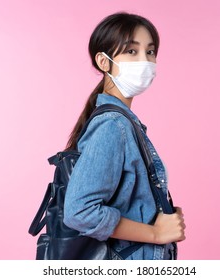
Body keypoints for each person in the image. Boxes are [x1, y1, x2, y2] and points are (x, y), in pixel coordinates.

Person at [63, 12, 186, 260]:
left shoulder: (123, 122)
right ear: (103, 61)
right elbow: (80, 212)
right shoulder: (113, 125)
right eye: (132, 51)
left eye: (150, 52)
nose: (145, 60)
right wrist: (156, 233)